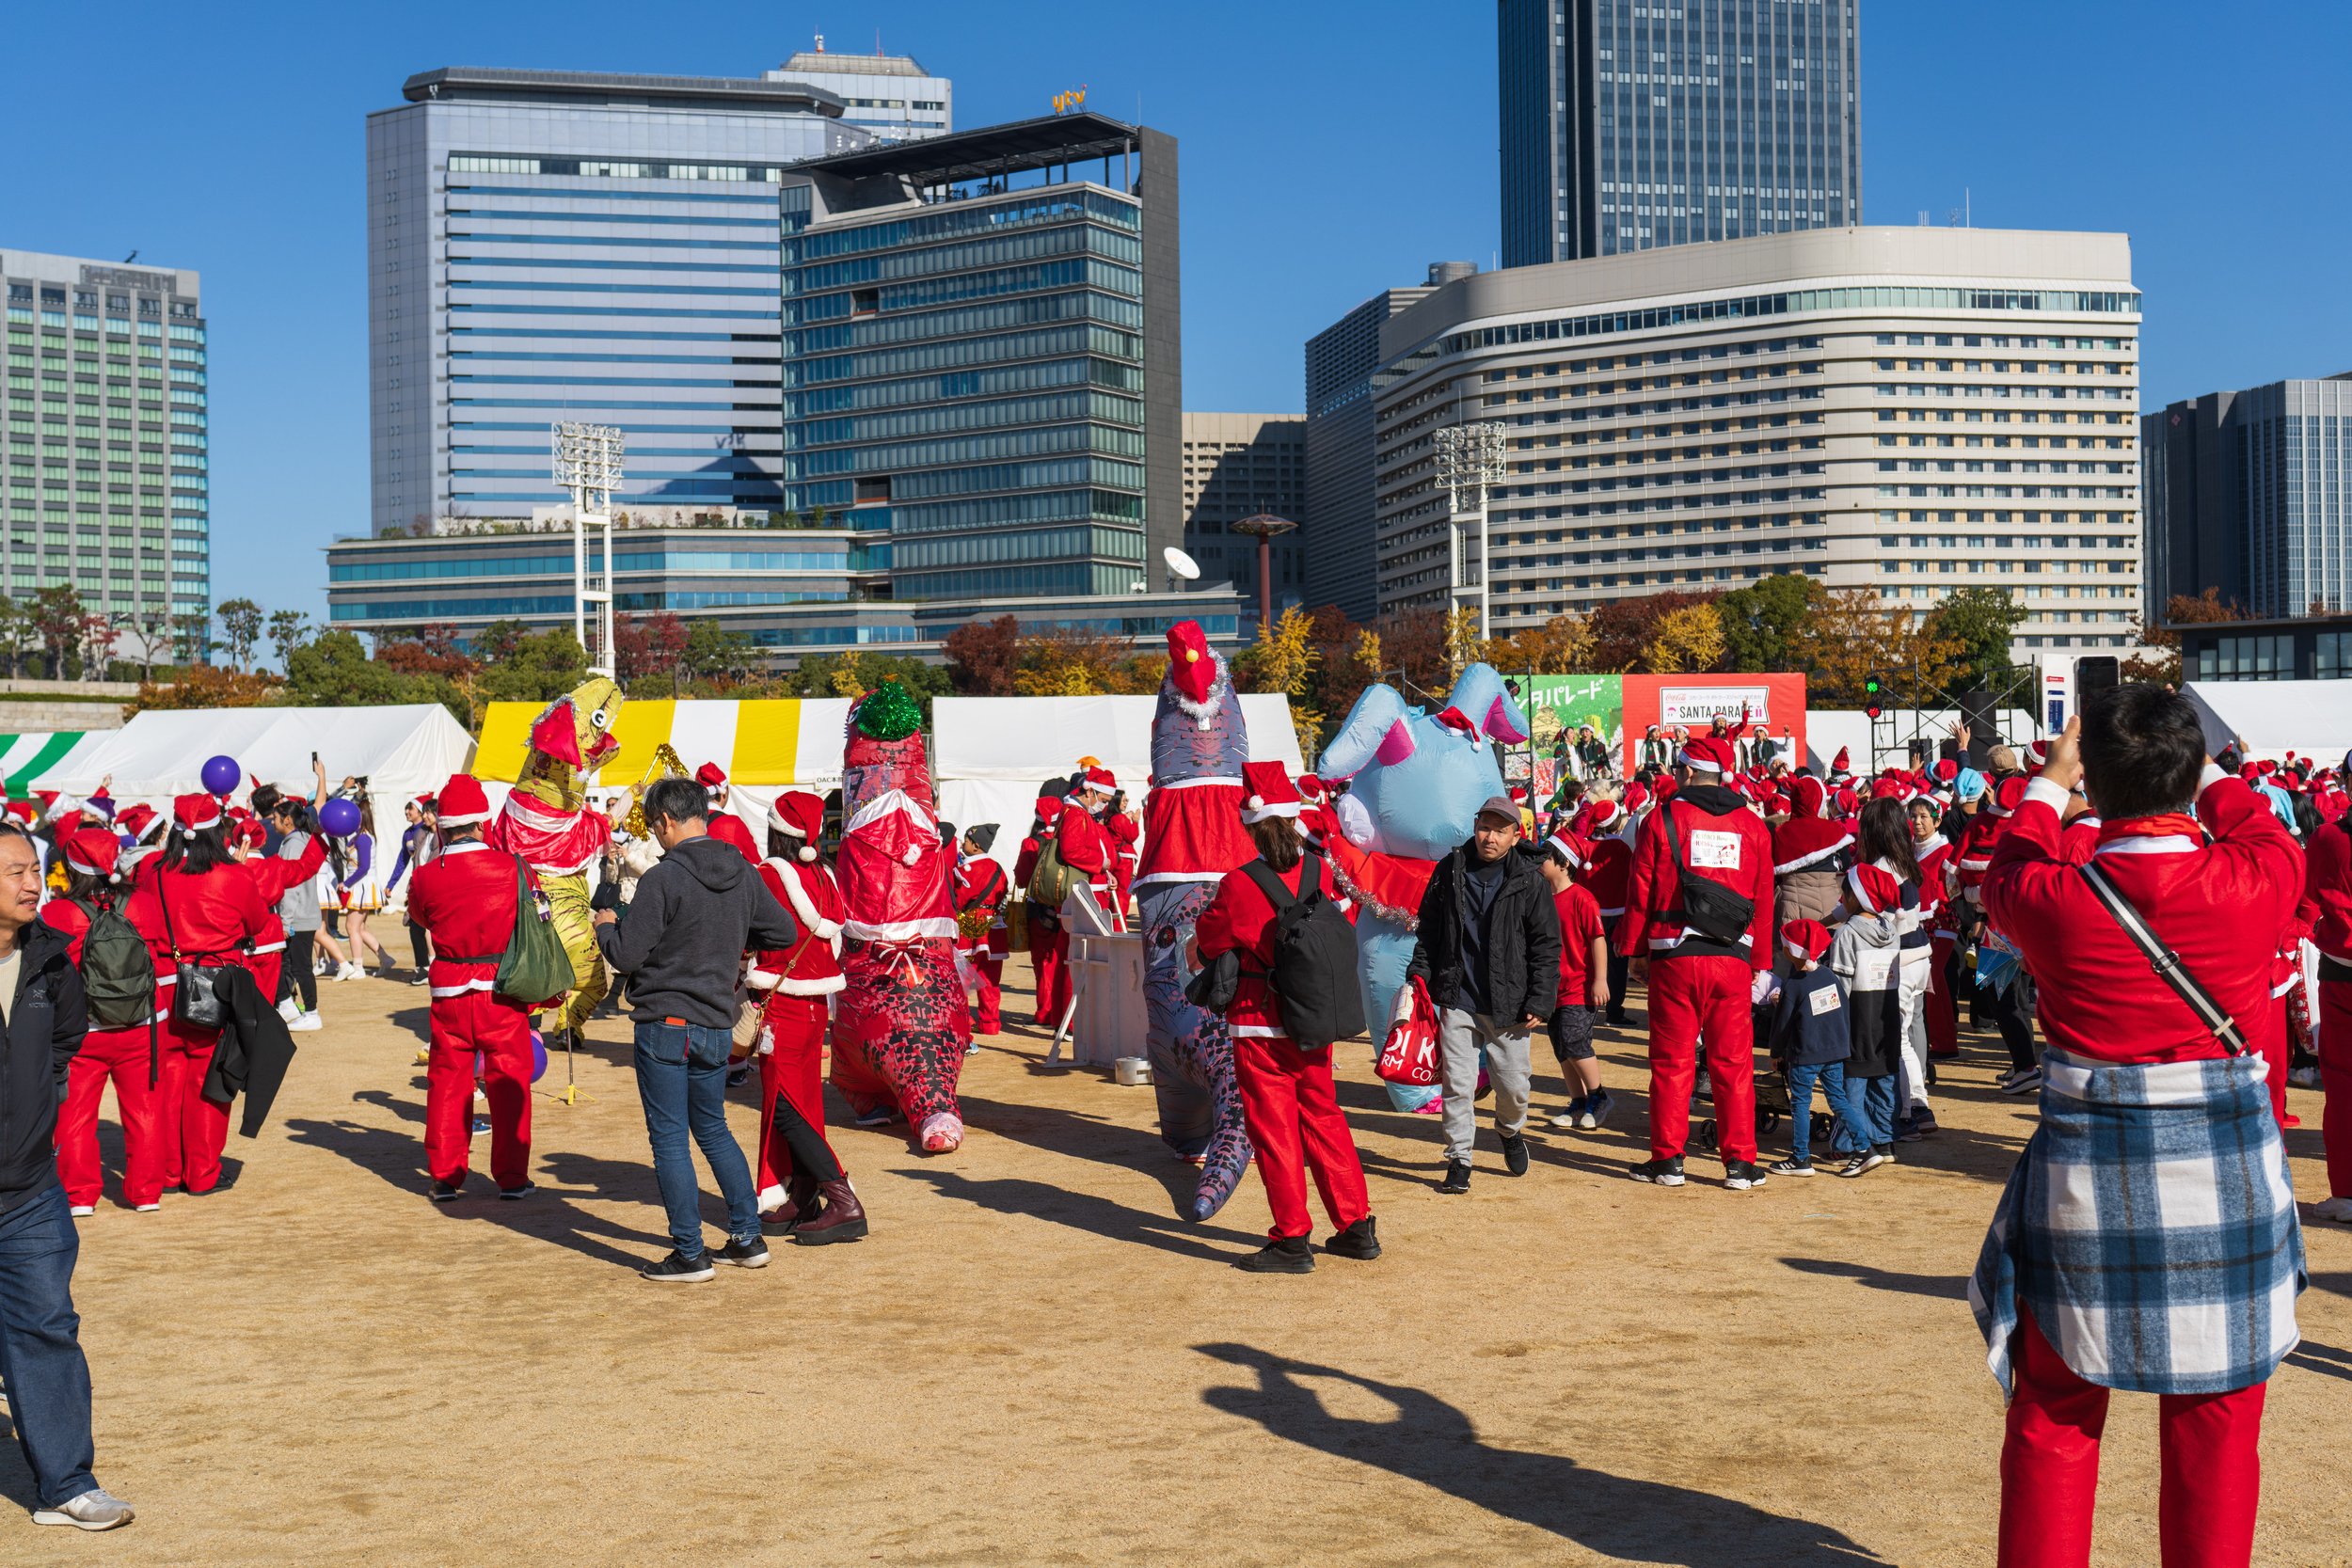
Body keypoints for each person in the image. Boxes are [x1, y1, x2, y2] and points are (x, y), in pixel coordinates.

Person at [1974, 693, 2303, 1568]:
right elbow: (2256, 819)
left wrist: (2050, 780)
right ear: (2189, 773)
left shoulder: (2048, 894)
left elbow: (2007, 860)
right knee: (2219, 1426)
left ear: (2100, 779)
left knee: (2055, 1414)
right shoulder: (2257, 876)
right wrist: (2197, 765)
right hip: (2225, 1182)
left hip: (2087, 1187)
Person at [592, 775, 798, 1282]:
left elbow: (625, 954)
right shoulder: (743, 870)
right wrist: (733, 943)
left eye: (654, 826)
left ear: (664, 821)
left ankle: (689, 1252)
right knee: (713, 1129)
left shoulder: (664, 878)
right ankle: (747, 1238)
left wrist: (603, 922)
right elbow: (784, 931)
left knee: (669, 1138)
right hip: (714, 1022)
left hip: (666, 1022)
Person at [0, 823, 135, 1531]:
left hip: (28, 1191)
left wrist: (35, 1109)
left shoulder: (50, 959)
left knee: (48, 1325)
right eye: (17, 871)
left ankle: (67, 1483)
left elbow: (65, 1041)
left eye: (35, 868)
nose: (33, 883)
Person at [1191, 761, 1377, 1273]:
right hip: (1315, 1016)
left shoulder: (1238, 884)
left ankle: (1292, 1238)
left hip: (1260, 1021)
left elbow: (1207, 943)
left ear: (1251, 827)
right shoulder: (1323, 870)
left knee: (1274, 1131)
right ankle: (1355, 1224)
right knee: (1325, 1116)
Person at [1615, 735, 1773, 1190]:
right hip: (1734, 958)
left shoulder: (1661, 818)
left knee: (1672, 1062)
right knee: (1734, 1063)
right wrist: (1760, 961)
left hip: (1674, 955)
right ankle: (1741, 1164)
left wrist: (1637, 952)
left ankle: (1668, 1162)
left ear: (1685, 772)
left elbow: (1639, 890)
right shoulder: (1754, 826)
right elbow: (1764, 897)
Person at [1407, 796, 1560, 1194]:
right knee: (1458, 1084)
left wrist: (1541, 999)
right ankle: (1459, 1158)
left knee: (1513, 1086)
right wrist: (1419, 973)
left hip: (1510, 1003)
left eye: (1499, 830)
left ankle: (1510, 1131)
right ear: (1475, 826)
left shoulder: (1529, 879)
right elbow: (1430, 928)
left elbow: (1546, 944)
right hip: (1458, 997)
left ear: (1514, 836)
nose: (1489, 837)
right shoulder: (1451, 869)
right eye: (1484, 827)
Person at [121, 795, 272, 1197]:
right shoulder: (234, 875)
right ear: (217, 829)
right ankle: (202, 1173)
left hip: (163, 985)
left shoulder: (151, 870)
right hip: (216, 985)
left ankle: (169, 1172)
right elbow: (257, 922)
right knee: (211, 1083)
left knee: (166, 1083)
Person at [404, 775, 539, 1201]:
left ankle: (445, 1175)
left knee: (447, 1083)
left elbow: (422, 919)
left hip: (450, 991)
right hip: (502, 988)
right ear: (482, 823)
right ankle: (513, 1178)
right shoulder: (514, 867)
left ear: (441, 826)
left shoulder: (426, 875)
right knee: (509, 1083)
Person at [749, 790, 861, 1243]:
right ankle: (804, 1192)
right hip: (817, 1004)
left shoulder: (769, 876)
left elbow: (752, 934)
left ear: (777, 831)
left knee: (785, 1107)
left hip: (781, 1000)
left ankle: (842, 1198)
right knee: (804, 1101)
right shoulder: (825, 876)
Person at [41, 830, 164, 1216]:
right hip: (141, 1024)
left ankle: (79, 1195)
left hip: (82, 1030)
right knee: (145, 1111)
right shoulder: (144, 903)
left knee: (75, 1116)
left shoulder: (57, 913)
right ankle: (146, 1192)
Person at [1765, 918, 1862, 1178]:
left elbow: (1783, 1025)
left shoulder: (1793, 984)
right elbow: (1842, 1011)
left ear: (1789, 951)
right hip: (1833, 1052)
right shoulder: (1829, 976)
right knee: (1839, 1101)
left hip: (1804, 1054)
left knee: (1800, 1104)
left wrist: (1775, 1053)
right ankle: (1864, 1148)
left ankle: (1800, 1158)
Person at [1534, 832, 1612, 1131]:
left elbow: (1598, 939)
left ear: (1563, 863)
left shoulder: (1582, 897)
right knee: (1561, 1046)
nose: (1540, 863)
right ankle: (1578, 1102)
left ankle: (1599, 1096)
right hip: (1553, 988)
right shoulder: (1543, 898)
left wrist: (1600, 979)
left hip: (1580, 986)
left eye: (1546, 857)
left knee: (1575, 1041)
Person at [2301, 785, 2352, 1223]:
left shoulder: (2329, 838)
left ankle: (2348, 1193)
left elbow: (2309, 892)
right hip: (2340, 971)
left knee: (2343, 1084)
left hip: (2343, 971)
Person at [266, 787, 326, 1028]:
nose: (272, 822)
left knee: (300, 967)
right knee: (294, 964)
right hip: (303, 913)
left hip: (298, 916)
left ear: (287, 820)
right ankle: (291, 1007)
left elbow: (290, 886)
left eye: (275, 818)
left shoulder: (293, 844)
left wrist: (284, 921)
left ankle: (311, 1012)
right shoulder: (302, 840)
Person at [1015, 796, 1072, 1026]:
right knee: (1062, 960)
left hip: (1040, 910)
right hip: (1065, 906)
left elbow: (1021, 879)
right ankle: (1062, 1013)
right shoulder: (1066, 839)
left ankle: (1045, 1012)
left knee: (1043, 962)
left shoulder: (1032, 843)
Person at [327, 784, 390, 980]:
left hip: (362, 884)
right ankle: (384, 958)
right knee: (360, 928)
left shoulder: (363, 838)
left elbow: (363, 868)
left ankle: (358, 966)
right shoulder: (357, 837)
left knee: (351, 927)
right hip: (360, 884)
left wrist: (346, 884)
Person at [952, 824, 1009, 1037]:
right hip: (994, 926)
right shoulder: (997, 868)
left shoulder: (963, 871)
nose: (962, 843)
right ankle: (990, 1023)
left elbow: (958, 899)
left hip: (970, 926)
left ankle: (964, 1022)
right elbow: (1003, 892)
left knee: (962, 980)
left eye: (966, 840)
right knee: (991, 979)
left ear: (976, 846)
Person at [385, 795, 437, 984]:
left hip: (436, 888)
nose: (424, 816)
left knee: (435, 928)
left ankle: (436, 966)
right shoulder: (416, 835)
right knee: (416, 926)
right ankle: (423, 967)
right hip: (420, 886)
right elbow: (405, 860)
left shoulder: (443, 836)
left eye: (427, 813)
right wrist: (393, 884)